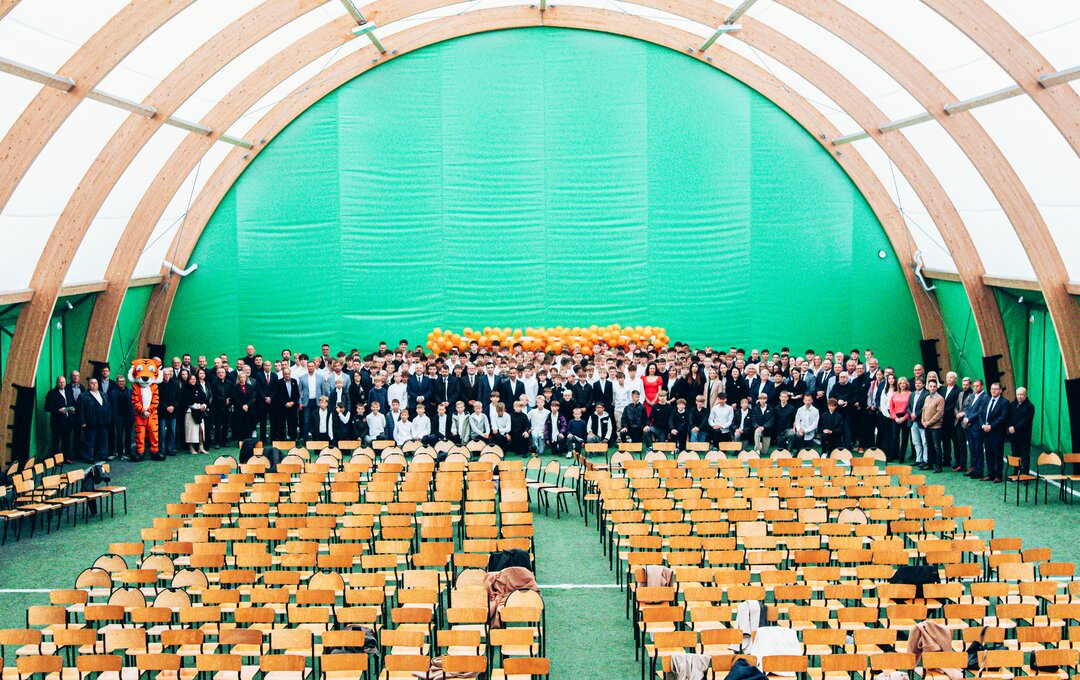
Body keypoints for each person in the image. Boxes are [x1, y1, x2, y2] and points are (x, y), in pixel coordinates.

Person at [78, 378, 113, 463]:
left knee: (103, 440)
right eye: (92, 383)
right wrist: (82, 422)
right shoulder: (83, 396)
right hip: (91, 422)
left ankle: (103, 455)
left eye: (95, 383)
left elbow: (108, 407)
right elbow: (80, 410)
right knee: (90, 441)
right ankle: (89, 457)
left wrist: (108, 418)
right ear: (88, 384)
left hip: (103, 422)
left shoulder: (103, 394)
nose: (94, 384)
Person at [980, 382, 1009, 483]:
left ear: (1000, 390)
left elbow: (1003, 417)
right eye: (992, 389)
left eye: (996, 389)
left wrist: (991, 426)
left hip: (997, 433)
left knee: (997, 454)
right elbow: (981, 414)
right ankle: (990, 474)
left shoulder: (1004, 402)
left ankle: (998, 475)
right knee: (988, 454)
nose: (993, 391)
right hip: (986, 432)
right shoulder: (986, 400)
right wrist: (983, 425)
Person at [961, 379, 987, 478]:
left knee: (978, 449)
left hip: (977, 427)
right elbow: (968, 409)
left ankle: (979, 471)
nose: (975, 388)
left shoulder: (984, 397)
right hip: (970, 427)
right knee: (972, 449)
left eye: (977, 386)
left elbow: (980, 412)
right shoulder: (972, 396)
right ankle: (973, 468)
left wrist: (969, 419)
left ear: (982, 386)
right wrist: (966, 417)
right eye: (974, 386)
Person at [178, 373, 209, 454]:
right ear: (188, 380)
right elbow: (185, 402)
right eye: (191, 379)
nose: (193, 381)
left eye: (194, 379)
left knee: (201, 430)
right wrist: (198, 406)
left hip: (200, 413)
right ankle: (191, 448)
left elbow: (205, 399)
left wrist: (204, 405)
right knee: (191, 431)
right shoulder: (185, 389)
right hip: (190, 412)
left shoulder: (199, 388)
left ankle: (201, 447)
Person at [44, 376, 73, 459]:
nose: (62, 384)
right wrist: (58, 410)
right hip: (57, 421)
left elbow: (71, 403)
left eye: (63, 382)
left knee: (66, 440)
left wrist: (72, 409)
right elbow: (47, 407)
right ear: (56, 383)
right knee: (56, 441)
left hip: (68, 420)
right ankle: (57, 460)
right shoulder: (52, 393)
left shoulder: (68, 392)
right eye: (60, 382)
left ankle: (66, 458)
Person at [1007, 387, 1035, 473]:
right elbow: (1009, 417)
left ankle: (1025, 474)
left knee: (1024, 455)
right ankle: (1016, 473)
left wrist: (1015, 428)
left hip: (1024, 436)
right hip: (1014, 435)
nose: (1019, 396)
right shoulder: (1012, 404)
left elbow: (1026, 420)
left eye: (1021, 394)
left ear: (1025, 395)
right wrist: (1010, 426)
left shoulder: (1030, 406)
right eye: (1018, 394)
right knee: (1015, 455)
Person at [921, 378, 944, 473]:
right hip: (926, 426)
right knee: (929, 445)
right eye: (930, 386)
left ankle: (938, 466)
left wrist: (929, 422)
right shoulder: (927, 398)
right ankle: (929, 464)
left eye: (934, 386)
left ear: (937, 387)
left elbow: (939, 413)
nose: (932, 388)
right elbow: (923, 410)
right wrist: (923, 421)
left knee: (937, 446)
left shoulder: (940, 399)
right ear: (928, 387)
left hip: (936, 427)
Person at [110, 375, 135, 460]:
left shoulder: (131, 391)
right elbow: (111, 406)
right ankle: (120, 453)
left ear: (125, 382)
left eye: (123, 381)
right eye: (119, 381)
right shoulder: (113, 393)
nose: (121, 383)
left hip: (129, 417)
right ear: (117, 383)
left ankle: (128, 452)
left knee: (128, 436)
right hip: (119, 417)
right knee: (119, 436)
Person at [888, 377, 912, 463]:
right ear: (898, 384)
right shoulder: (894, 394)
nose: (902, 385)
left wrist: (904, 417)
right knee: (894, 437)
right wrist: (895, 418)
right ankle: (892, 456)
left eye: (904, 383)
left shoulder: (910, 394)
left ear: (906, 384)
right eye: (900, 383)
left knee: (905, 438)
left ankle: (902, 457)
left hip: (906, 417)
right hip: (896, 417)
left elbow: (911, 407)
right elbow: (891, 408)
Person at [159, 367, 180, 456]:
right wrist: (166, 407)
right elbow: (157, 399)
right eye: (165, 374)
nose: (167, 376)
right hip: (162, 412)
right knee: (162, 432)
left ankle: (170, 449)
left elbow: (178, 397)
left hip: (173, 412)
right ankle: (162, 450)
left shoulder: (175, 384)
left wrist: (173, 406)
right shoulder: (158, 385)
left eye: (168, 374)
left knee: (172, 431)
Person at [231, 373, 256, 443]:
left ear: (246, 378)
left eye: (244, 377)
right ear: (239, 378)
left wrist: (247, 405)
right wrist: (242, 406)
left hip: (248, 408)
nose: (242, 379)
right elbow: (235, 398)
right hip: (239, 409)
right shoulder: (235, 387)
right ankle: (241, 441)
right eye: (241, 377)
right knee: (240, 425)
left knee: (248, 424)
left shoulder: (250, 386)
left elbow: (252, 397)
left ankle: (248, 441)